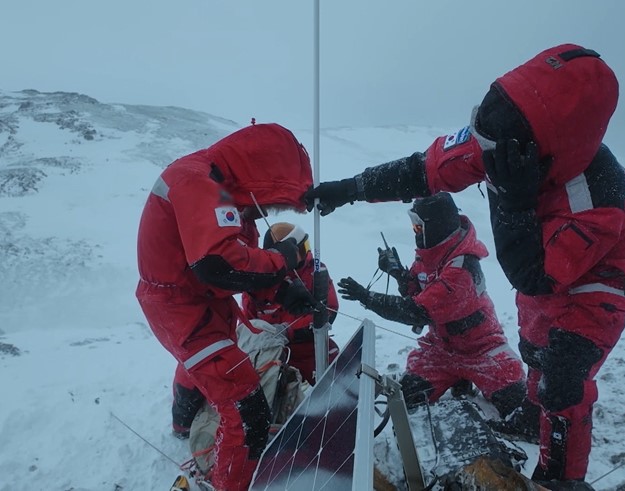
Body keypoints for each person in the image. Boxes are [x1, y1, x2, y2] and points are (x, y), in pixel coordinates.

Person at [305, 44, 625, 490]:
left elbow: (533, 275)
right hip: (512, 274)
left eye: (492, 149)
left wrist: (513, 199)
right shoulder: (500, 141)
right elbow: (423, 170)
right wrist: (347, 189)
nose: (482, 154)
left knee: (563, 377)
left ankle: (561, 476)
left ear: (538, 151)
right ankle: (532, 410)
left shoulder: (598, 195)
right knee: (536, 345)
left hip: (598, 273)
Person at [136, 122, 318, 491]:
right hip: (180, 308)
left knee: (206, 368)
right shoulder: (196, 183)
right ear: (263, 174)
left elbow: (238, 268)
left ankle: (184, 421)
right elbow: (221, 265)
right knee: (247, 408)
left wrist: (281, 293)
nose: (265, 210)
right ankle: (230, 483)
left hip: (201, 303)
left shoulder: (223, 194)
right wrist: (283, 258)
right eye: (270, 200)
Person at [336, 192, 539, 440]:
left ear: (437, 224)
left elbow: (417, 312)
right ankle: (456, 379)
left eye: (418, 225)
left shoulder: (462, 268)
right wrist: (398, 272)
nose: (416, 230)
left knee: (518, 404)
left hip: (483, 348)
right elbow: (417, 290)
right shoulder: (432, 253)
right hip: (440, 350)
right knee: (406, 396)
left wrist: (367, 298)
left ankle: (467, 379)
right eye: (414, 224)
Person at [241, 222, 340, 385]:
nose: (306, 253)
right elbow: (247, 325)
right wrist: (266, 337)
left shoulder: (315, 273)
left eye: (306, 246)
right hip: (276, 358)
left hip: (313, 353)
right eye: (300, 250)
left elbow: (329, 311)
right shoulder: (260, 280)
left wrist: (288, 332)